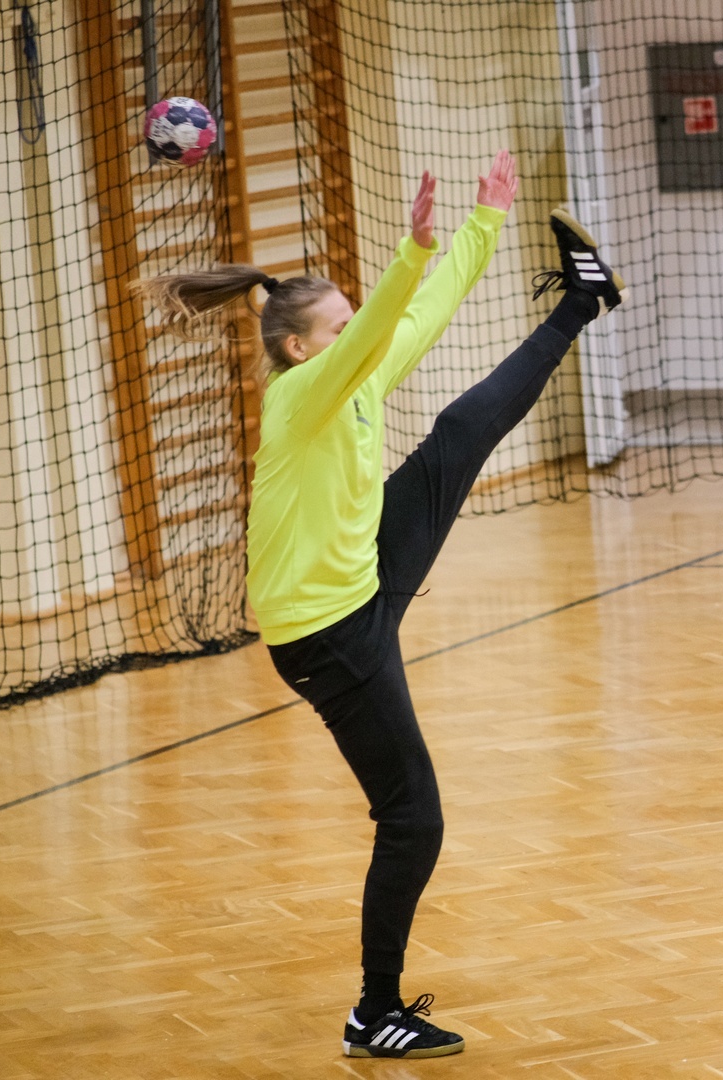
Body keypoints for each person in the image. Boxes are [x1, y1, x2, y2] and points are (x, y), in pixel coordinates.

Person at [135, 151, 624, 1058]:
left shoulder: (351, 378)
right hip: (326, 636)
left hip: (361, 577)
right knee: (414, 819)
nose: (361, 331)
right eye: (342, 325)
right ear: (299, 348)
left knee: (460, 431)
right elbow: (381, 329)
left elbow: (418, 319)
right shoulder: (300, 397)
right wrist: (410, 252)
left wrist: (482, 223)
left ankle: (582, 303)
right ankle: (374, 1013)